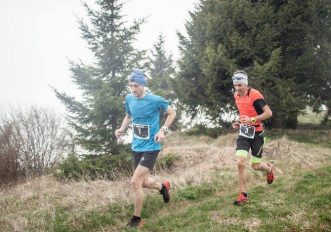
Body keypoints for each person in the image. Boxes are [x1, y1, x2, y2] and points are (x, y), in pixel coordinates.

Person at [115, 69, 176, 228]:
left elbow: (171, 113)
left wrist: (163, 130)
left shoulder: (155, 100)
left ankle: (136, 219)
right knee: (143, 182)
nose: (133, 89)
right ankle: (163, 187)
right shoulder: (129, 98)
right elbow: (128, 116)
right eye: (131, 86)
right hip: (136, 146)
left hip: (152, 146)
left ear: (143, 85)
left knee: (135, 182)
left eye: (136, 85)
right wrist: (121, 130)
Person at [231, 70, 276, 206]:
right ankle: (243, 194)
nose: (237, 89)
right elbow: (244, 113)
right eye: (235, 85)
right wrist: (239, 123)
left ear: (246, 84)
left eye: (240, 85)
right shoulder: (236, 96)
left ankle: (269, 169)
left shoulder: (255, 95)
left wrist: (253, 119)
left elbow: (269, 113)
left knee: (255, 166)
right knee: (240, 162)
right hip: (244, 134)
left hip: (257, 135)